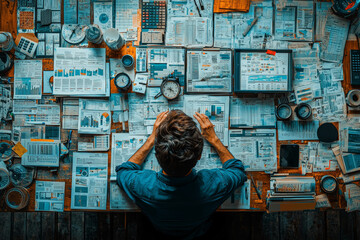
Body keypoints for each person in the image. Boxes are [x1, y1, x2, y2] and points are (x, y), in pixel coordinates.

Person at [116, 110, 247, 239]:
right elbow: (237, 170)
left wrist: (152, 139)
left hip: (158, 231)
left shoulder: (143, 186)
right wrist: (214, 139)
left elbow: (124, 172)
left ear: (157, 156)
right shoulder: (213, 185)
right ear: (200, 155)